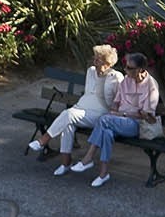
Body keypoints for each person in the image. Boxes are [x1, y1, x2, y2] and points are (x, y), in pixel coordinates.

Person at [27, 44, 121, 174]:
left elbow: (119, 100)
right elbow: (89, 94)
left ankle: (44, 140)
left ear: (107, 62)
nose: (95, 60)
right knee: (67, 124)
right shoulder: (91, 71)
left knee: (68, 115)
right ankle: (66, 162)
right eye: (95, 57)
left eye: (98, 59)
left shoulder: (116, 77)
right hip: (81, 110)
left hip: (100, 116)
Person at [72, 51, 159, 188]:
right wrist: (114, 110)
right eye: (125, 66)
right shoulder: (126, 81)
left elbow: (145, 115)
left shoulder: (151, 86)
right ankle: (103, 173)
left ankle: (88, 158)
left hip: (136, 125)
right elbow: (116, 103)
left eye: (129, 68)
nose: (125, 70)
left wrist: (121, 114)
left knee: (104, 120)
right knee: (106, 132)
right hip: (118, 120)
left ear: (141, 70)